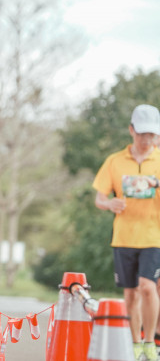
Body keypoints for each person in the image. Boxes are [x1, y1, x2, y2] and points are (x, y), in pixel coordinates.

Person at [93, 104, 160, 361]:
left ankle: (150, 342)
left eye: (151, 135)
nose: (146, 140)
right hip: (123, 236)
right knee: (131, 293)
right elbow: (99, 198)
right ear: (131, 130)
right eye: (142, 133)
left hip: (153, 235)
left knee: (147, 287)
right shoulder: (114, 161)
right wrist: (110, 204)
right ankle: (134, 344)